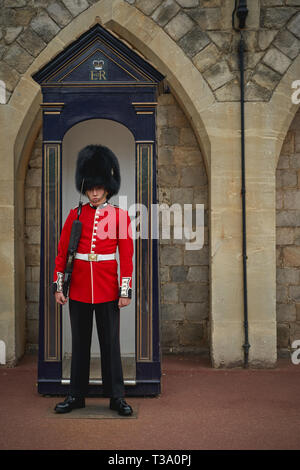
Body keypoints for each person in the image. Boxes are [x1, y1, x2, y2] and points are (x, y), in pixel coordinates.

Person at [53, 144, 134, 416]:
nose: (95, 192)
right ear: (85, 187)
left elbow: (127, 257)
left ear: (107, 187)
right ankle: (76, 395)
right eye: (91, 187)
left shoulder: (119, 216)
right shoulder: (75, 215)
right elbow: (63, 252)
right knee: (80, 344)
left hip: (108, 289)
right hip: (78, 290)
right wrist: (59, 285)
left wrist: (125, 291)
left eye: (99, 187)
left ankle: (116, 397)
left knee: (110, 345)